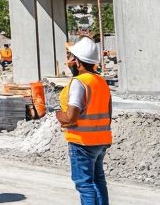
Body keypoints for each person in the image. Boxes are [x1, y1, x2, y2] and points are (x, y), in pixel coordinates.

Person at [57, 37, 111, 205]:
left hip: (82, 142)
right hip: (101, 140)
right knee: (98, 181)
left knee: (85, 185)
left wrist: (59, 115)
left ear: (78, 62)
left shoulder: (79, 82)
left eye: (72, 59)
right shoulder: (101, 82)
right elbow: (108, 113)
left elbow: (71, 116)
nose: (69, 62)